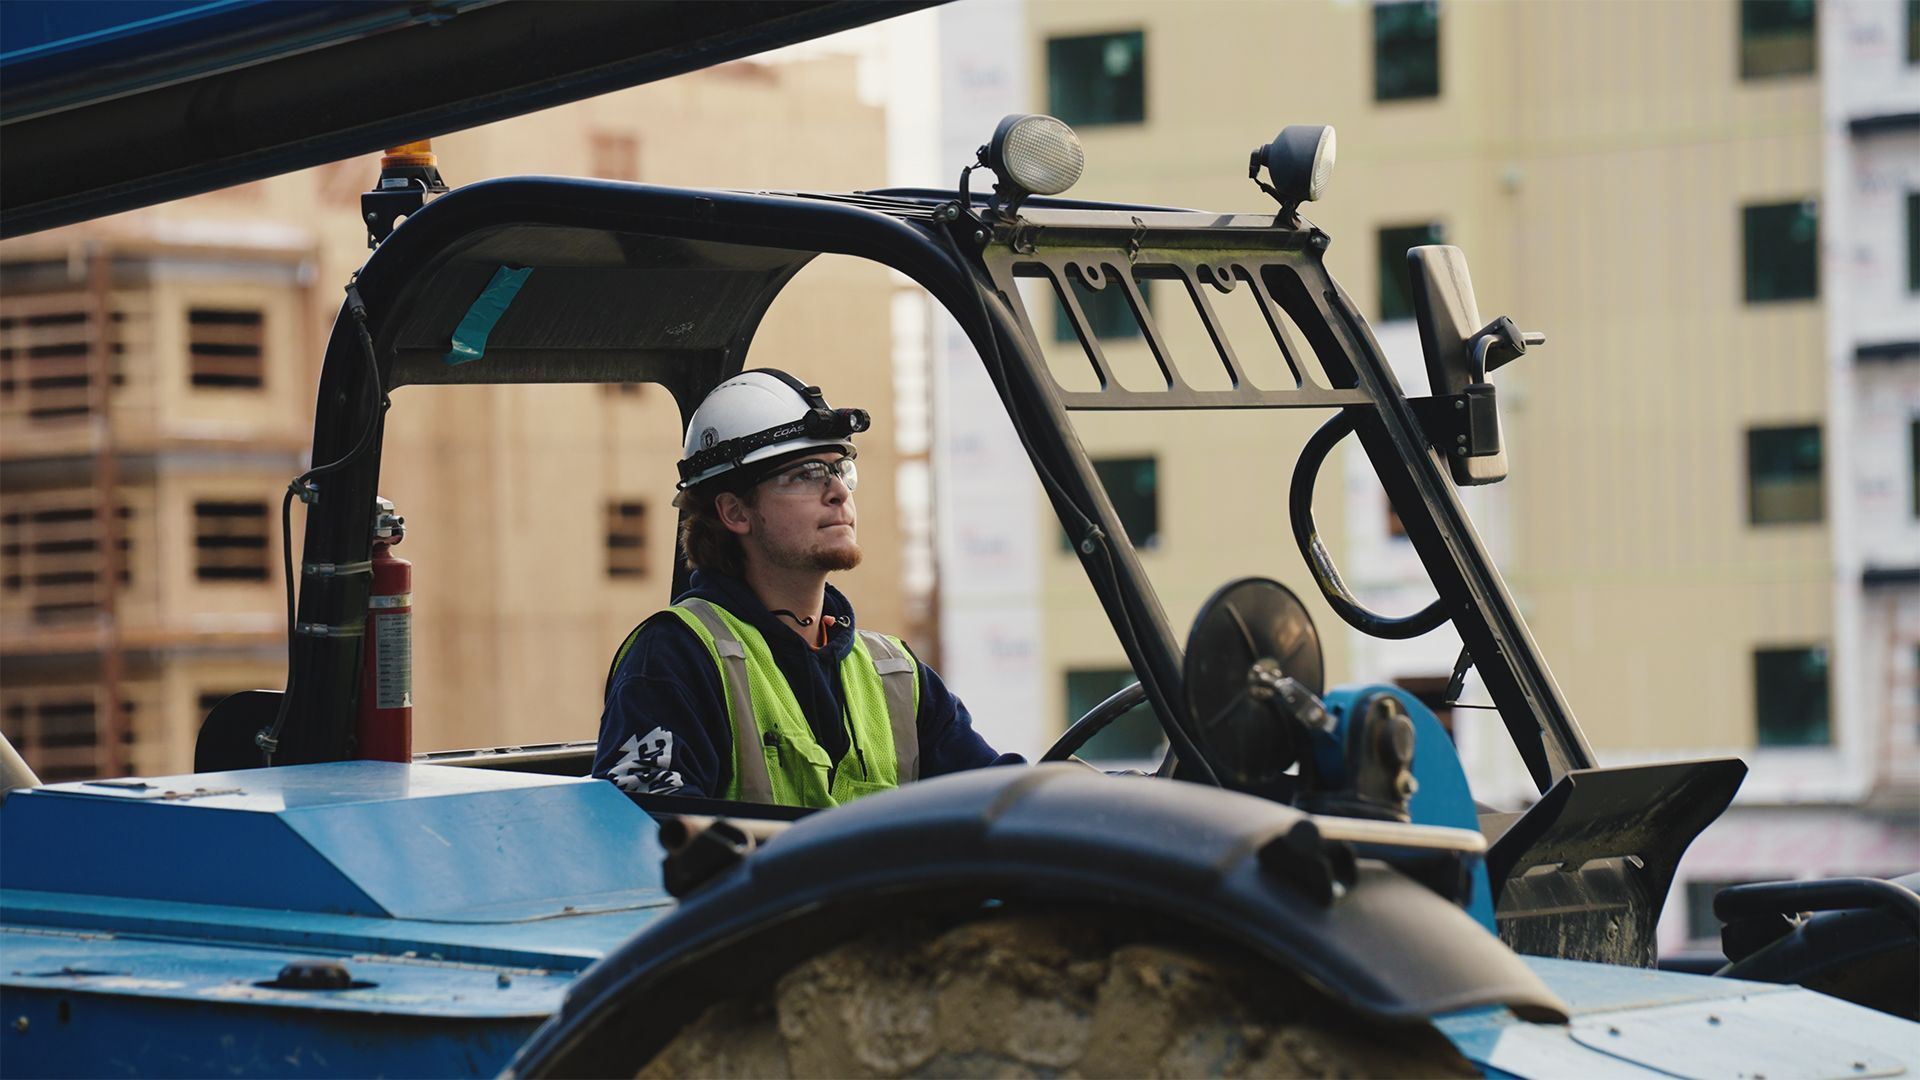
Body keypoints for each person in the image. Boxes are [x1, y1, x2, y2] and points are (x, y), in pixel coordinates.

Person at [595, 369, 1019, 807]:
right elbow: (650, 838)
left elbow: (1002, 806)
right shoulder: (675, 657)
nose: (838, 491)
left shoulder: (894, 675)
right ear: (735, 512)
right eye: (805, 473)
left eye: (840, 469)